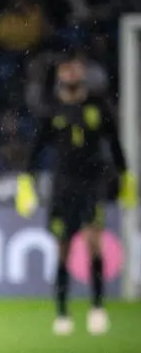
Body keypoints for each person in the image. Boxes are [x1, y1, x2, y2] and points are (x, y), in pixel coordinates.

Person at [16, 58, 135, 335]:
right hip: (63, 185)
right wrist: (27, 180)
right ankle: (61, 312)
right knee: (63, 247)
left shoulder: (97, 105)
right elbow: (36, 148)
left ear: (82, 74)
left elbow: (114, 142)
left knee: (94, 242)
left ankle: (97, 307)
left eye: (75, 68)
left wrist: (125, 175)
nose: (71, 73)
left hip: (92, 184)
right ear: (60, 74)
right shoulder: (52, 109)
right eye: (66, 69)